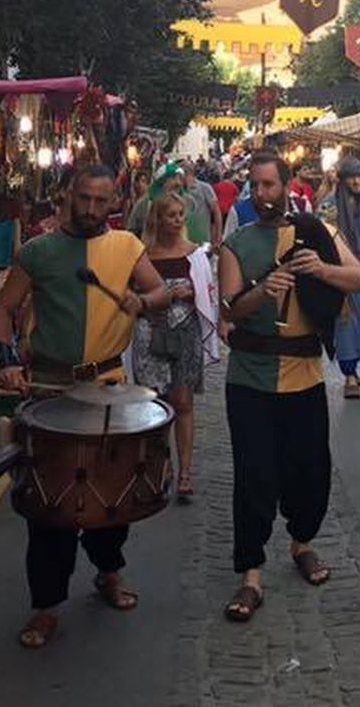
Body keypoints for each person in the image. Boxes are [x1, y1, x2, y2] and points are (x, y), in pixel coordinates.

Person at [0, 164, 172, 650]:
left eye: (102, 200)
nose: (93, 209)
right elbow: (4, 308)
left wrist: (143, 301)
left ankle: (108, 572)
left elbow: (160, 291)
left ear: (114, 200)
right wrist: (5, 359)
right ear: (68, 195)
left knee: (111, 495)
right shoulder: (38, 251)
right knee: (48, 508)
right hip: (49, 391)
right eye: (85, 198)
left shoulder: (126, 246)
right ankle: (46, 606)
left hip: (109, 389)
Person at [217, 150, 360, 622]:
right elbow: (229, 309)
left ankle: (302, 542)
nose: (262, 195)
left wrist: (319, 269)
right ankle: (251, 573)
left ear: (286, 185)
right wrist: (263, 291)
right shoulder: (237, 243)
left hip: (303, 375)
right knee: (255, 473)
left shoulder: (315, 231)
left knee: (308, 469)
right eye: (255, 186)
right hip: (251, 378)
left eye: (269, 185)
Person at [133, 189, 218, 502]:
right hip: (150, 332)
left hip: (185, 332)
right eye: (171, 215)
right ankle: (163, 464)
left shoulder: (194, 254)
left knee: (183, 401)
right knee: (155, 403)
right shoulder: (141, 254)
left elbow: (209, 293)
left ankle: (184, 471)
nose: (177, 220)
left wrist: (191, 293)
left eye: (180, 215)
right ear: (157, 218)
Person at [324, 156, 360, 399]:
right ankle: (349, 375)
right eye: (352, 176)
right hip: (340, 270)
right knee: (345, 325)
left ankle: (354, 367)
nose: (357, 181)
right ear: (344, 179)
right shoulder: (329, 205)